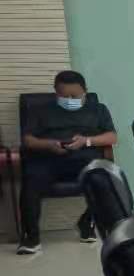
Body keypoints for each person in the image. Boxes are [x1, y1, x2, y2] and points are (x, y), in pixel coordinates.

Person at [17, 70, 115, 255]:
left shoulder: (98, 109)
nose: (69, 100)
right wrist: (49, 144)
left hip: (84, 158)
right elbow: (28, 140)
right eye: (64, 96)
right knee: (31, 181)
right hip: (48, 159)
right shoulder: (40, 110)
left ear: (85, 91)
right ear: (56, 92)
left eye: (74, 96)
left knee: (105, 177)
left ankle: (86, 222)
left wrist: (86, 141)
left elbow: (111, 137)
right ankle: (31, 238)